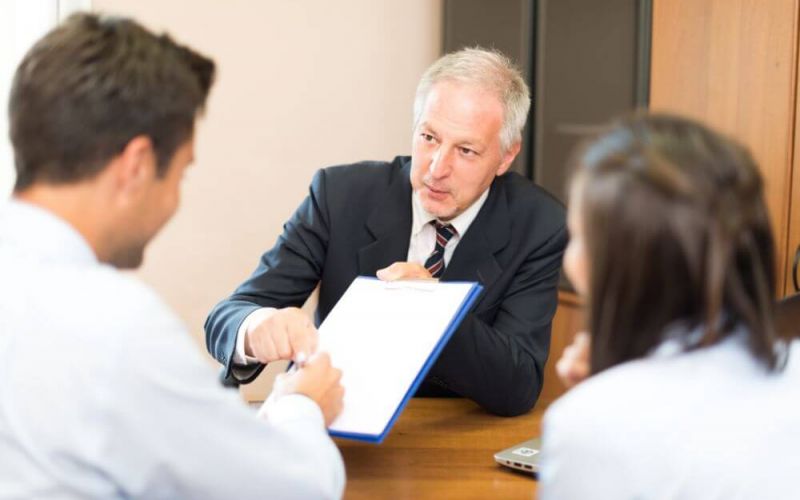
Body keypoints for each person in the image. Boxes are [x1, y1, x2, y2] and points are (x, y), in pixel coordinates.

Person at [0, 14, 345, 498]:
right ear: (138, 165)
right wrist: (302, 404)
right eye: (180, 175)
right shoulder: (114, 328)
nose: (173, 202)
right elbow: (291, 488)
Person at [205, 48, 567, 417]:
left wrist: (437, 310)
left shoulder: (538, 224)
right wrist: (256, 328)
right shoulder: (340, 194)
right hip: (331, 421)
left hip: (445, 439)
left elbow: (518, 386)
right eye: (429, 137)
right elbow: (230, 314)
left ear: (506, 156)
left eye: (466, 151)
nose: (437, 168)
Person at [539, 114, 800, 499]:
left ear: (618, 266)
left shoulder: (586, 426)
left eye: (577, 237)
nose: (567, 258)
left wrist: (603, 397)